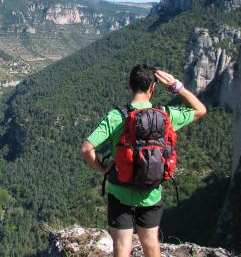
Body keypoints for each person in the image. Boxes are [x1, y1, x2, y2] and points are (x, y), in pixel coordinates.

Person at [80, 64, 206, 257]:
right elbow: (200, 110)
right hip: (151, 192)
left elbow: (87, 148)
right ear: (152, 88)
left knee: (122, 247)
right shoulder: (165, 115)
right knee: (151, 244)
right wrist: (176, 87)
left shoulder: (117, 116)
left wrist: (103, 169)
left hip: (120, 190)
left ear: (129, 84)